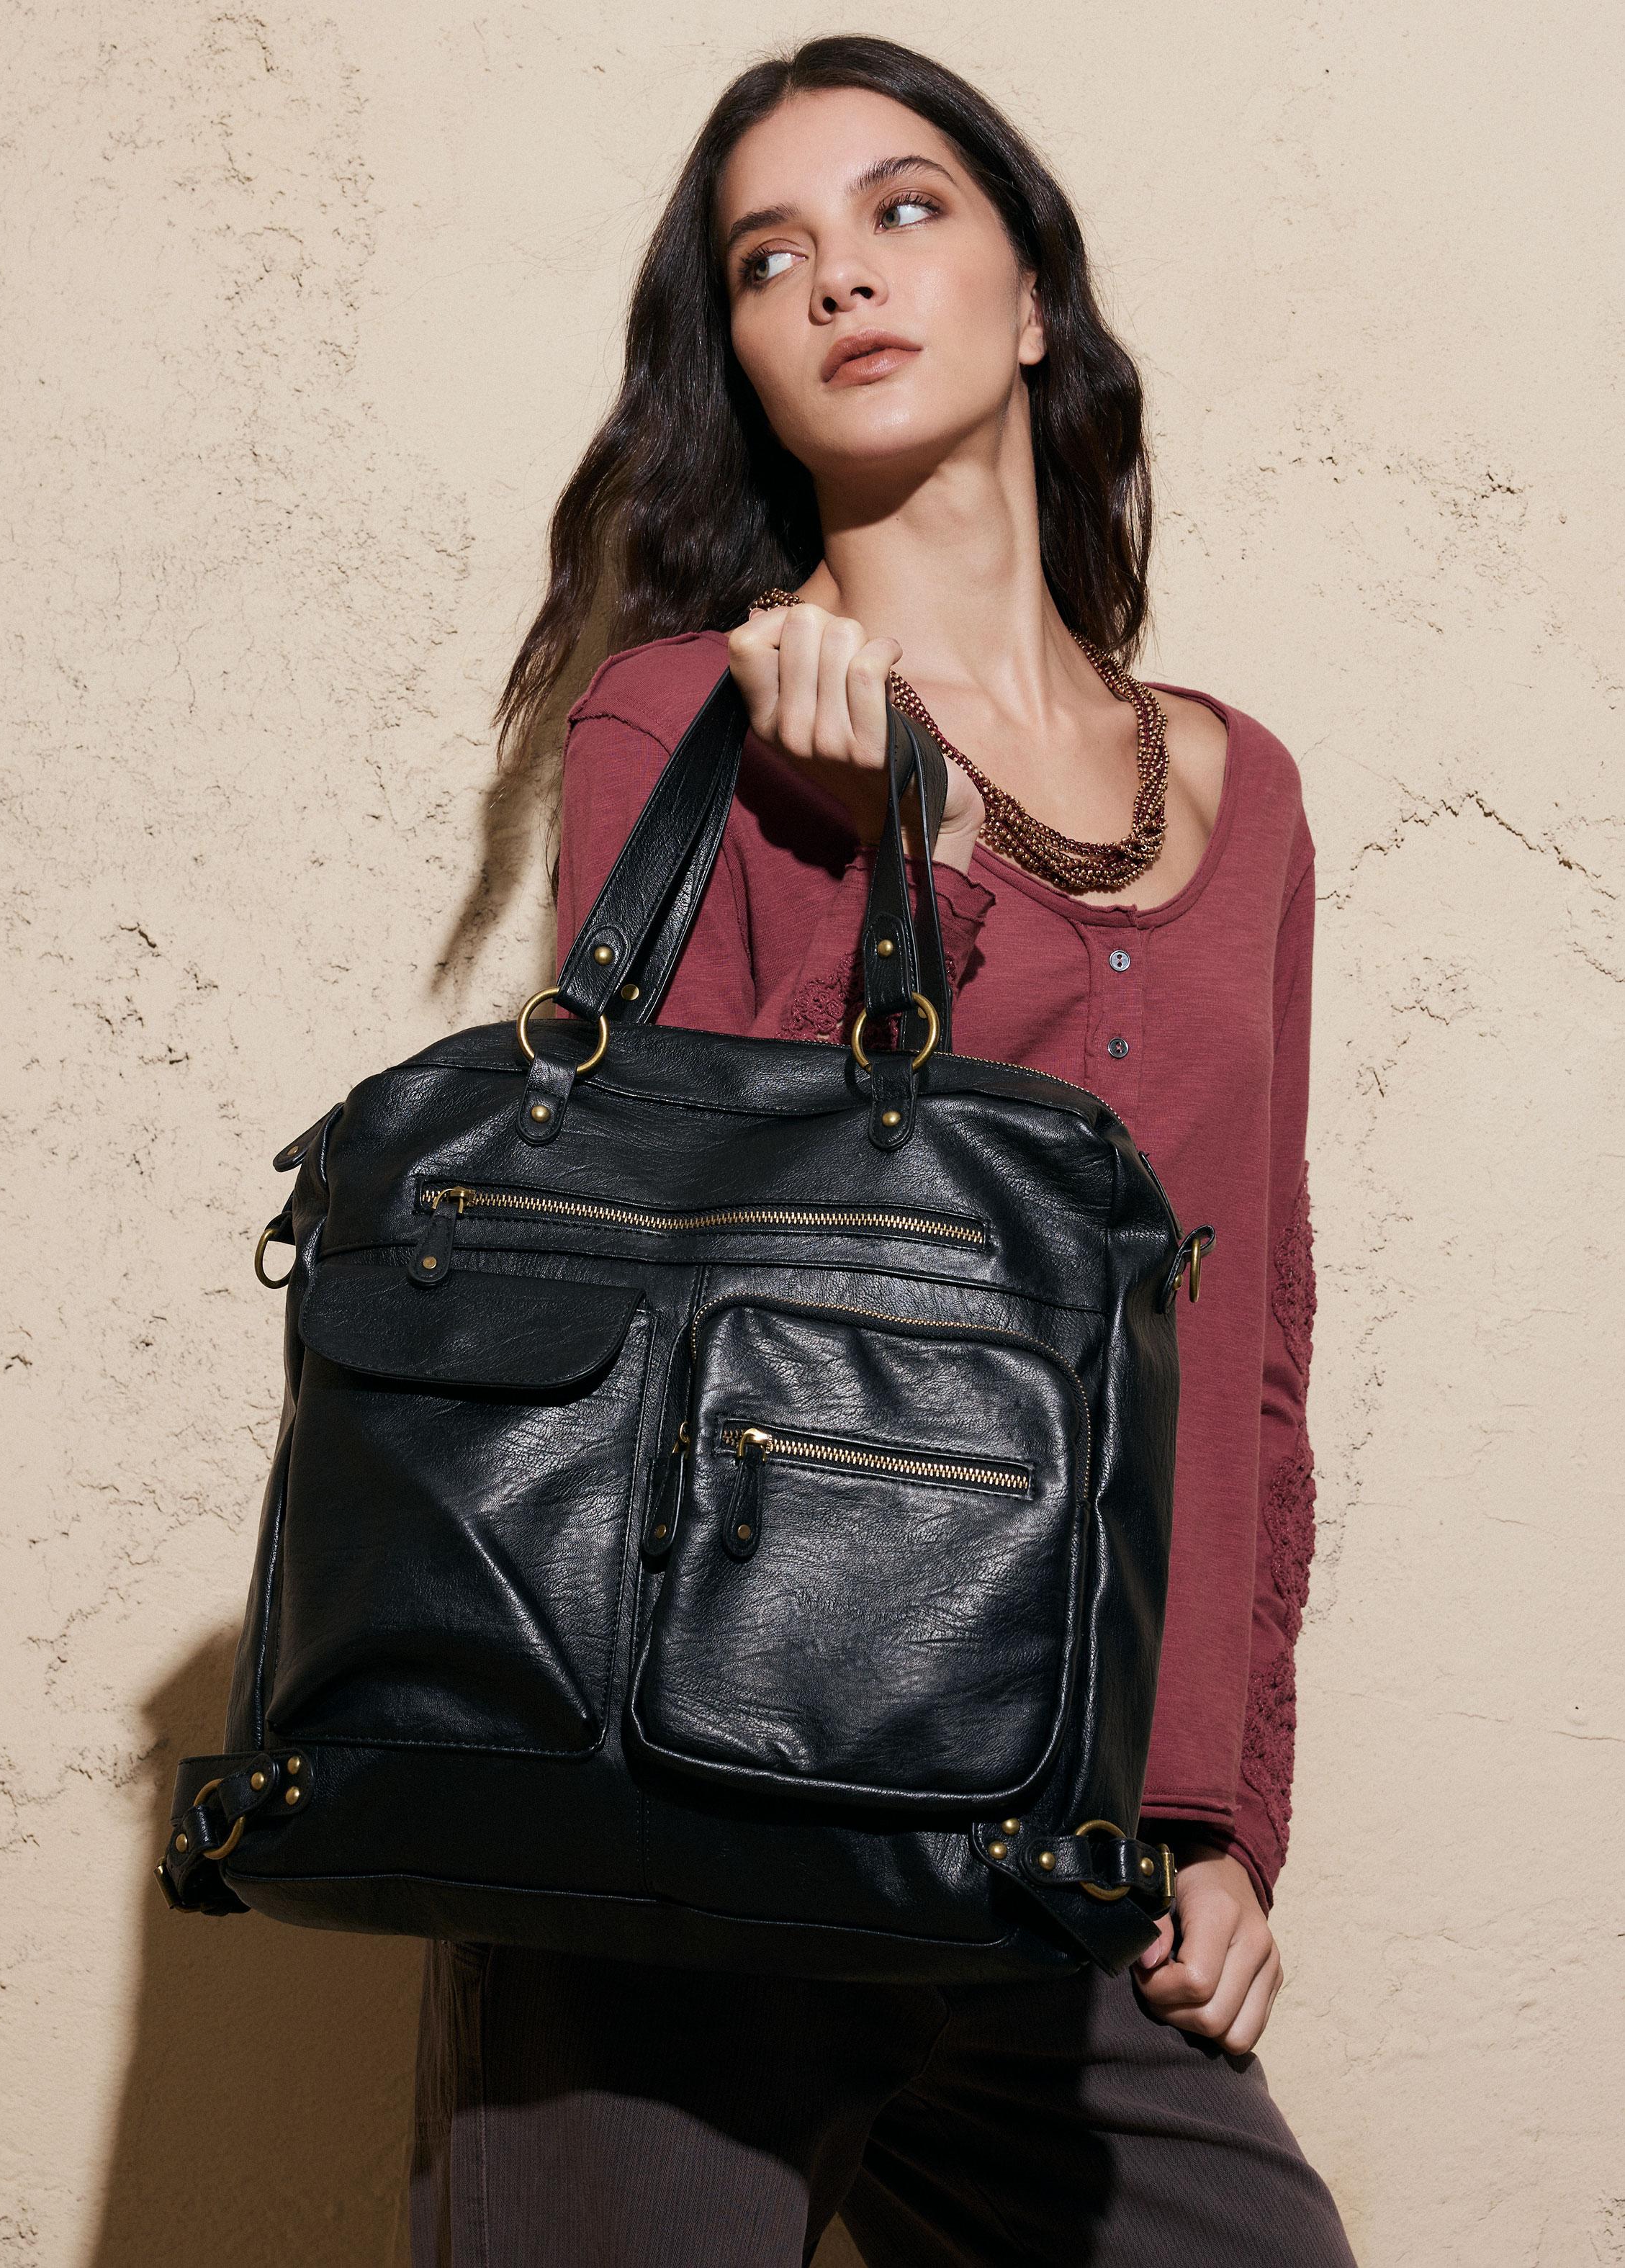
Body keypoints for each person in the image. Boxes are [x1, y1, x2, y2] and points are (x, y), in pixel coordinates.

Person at [412, 35, 1354, 2268]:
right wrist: (868, 865)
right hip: (684, 1821)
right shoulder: (686, 718)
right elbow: (640, 1257)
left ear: (1032, 298)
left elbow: (1244, 1343)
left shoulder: (1244, 793)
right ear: (740, 365)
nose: (838, 274)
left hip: (1045, 1827)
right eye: (768, 258)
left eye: (902, 209)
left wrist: (1210, 1815)